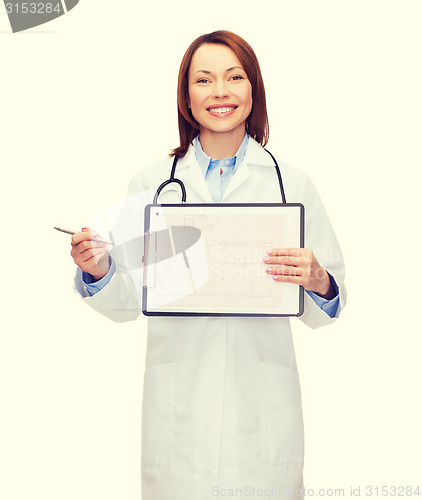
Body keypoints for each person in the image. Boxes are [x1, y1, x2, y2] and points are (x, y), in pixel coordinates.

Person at [71, 30, 346, 500]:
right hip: (180, 422)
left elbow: (327, 308)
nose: (220, 91)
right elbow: (126, 305)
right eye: (204, 80)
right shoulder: (153, 182)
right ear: (186, 97)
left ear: (252, 90)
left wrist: (319, 280)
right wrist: (98, 269)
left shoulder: (291, 184)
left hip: (262, 419)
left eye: (234, 77)